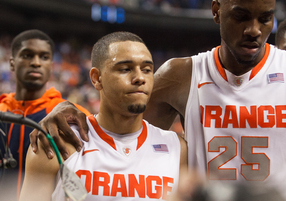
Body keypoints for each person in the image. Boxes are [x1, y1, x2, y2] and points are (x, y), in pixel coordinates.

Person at [30, 0, 286, 200]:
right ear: (217, 12)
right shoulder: (182, 75)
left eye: (265, 18)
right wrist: (65, 108)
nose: (254, 29)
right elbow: (124, 131)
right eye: (241, 16)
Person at [20, 31, 187, 201]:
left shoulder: (177, 149)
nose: (139, 78)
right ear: (96, 78)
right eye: (125, 69)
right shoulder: (56, 144)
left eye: (147, 69)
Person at [0, 29, 90, 200]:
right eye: (27, 55)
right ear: (12, 63)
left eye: (44, 57)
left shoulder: (72, 114)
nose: (36, 63)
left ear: (51, 65)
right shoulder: (2, 110)